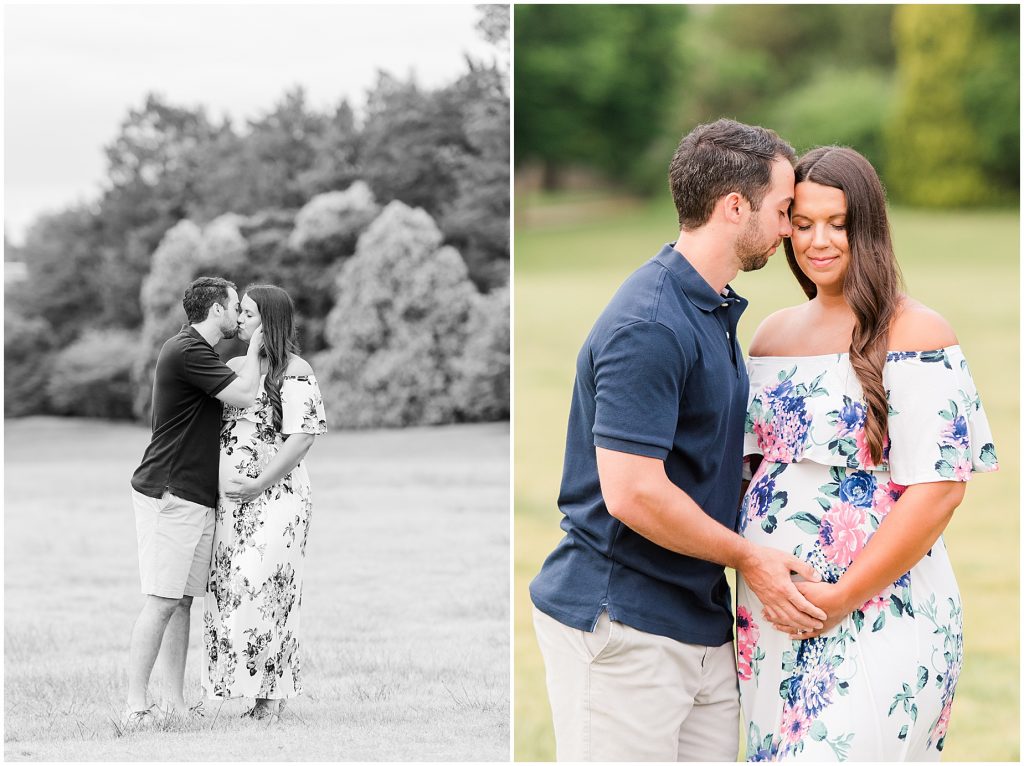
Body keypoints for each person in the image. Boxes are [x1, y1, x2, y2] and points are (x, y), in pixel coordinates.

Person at [529, 119, 829, 762]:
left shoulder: (710, 307)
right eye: (783, 211)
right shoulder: (652, 323)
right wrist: (751, 559)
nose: (788, 230)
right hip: (622, 624)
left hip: (698, 618)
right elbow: (633, 494)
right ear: (734, 207)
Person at [737, 146, 998, 760]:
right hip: (773, 616)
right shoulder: (771, 334)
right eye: (802, 224)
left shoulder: (918, 332)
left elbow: (939, 491)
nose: (818, 241)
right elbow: (747, 471)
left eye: (839, 223)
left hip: (882, 609)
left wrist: (842, 595)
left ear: (869, 228)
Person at [127, 276, 264, 722]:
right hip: (170, 491)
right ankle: (136, 707)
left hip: (196, 495)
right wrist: (259, 345)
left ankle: (175, 705)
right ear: (216, 310)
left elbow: (236, 385)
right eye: (233, 306)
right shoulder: (187, 350)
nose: (238, 314)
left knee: (183, 600)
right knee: (162, 598)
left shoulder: (204, 354)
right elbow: (244, 395)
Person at [204, 284, 327, 719]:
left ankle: (269, 698)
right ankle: (229, 689)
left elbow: (302, 436)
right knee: (229, 588)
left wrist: (259, 483)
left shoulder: (296, 369)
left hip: (279, 496)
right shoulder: (235, 367)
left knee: (268, 585)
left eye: (250, 315)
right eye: (241, 313)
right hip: (231, 500)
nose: (240, 320)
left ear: (269, 322)